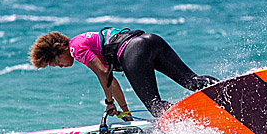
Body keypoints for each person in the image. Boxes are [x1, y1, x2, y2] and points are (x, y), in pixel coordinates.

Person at [29, 28, 216, 117]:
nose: (59, 66)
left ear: (60, 47)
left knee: (155, 106)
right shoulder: (84, 40)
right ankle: (226, 91)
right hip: (150, 40)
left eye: (54, 63)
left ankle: (191, 123)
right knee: (193, 81)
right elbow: (110, 78)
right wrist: (124, 108)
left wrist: (109, 103)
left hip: (134, 52)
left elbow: (103, 73)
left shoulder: (75, 48)